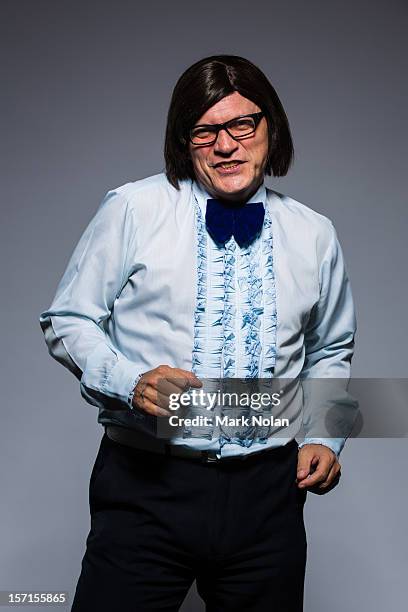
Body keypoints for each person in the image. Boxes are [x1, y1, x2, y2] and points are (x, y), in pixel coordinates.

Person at [39, 54, 357, 611]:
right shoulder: (133, 209)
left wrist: (325, 438)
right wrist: (129, 380)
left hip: (269, 498)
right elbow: (67, 320)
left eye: (242, 124)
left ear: (269, 128)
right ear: (183, 141)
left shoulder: (315, 234)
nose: (226, 144)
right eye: (205, 130)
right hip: (145, 486)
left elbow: (330, 348)